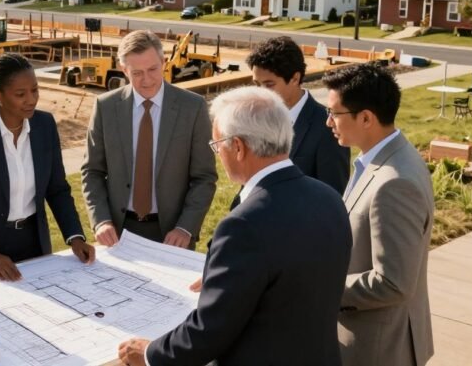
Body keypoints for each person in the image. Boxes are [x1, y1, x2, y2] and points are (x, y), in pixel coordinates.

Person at [117, 86, 352, 366]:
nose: (218, 154)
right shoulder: (329, 198)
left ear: (238, 147)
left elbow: (208, 332)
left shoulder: (243, 225)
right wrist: (231, 279)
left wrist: (148, 354)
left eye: (217, 145)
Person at [0, 53, 95, 280]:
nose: (31, 100)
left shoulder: (45, 125)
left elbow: (57, 189)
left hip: (31, 247)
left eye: (35, 90)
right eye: (20, 94)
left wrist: (75, 237)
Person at [323, 63, 434, 366]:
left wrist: (321, 286)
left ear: (366, 118)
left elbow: (393, 282)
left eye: (333, 113)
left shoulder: (394, 183)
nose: (328, 122)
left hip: (377, 347)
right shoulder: (386, 156)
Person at [81, 30, 217, 249]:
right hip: (117, 234)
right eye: (137, 73)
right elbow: (92, 171)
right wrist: (101, 221)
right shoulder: (105, 107)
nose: (146, 80)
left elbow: (204, 177)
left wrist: (185, 228)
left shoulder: (193, 107)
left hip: (173, 236)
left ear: (163, 62)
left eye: (153, 69)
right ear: (124, 70)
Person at [246, 35, 350, 194]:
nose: (261, 93)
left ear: (295, 78)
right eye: (257, 84)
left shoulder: (327, 127)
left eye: (269, 84)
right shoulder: (256, 120)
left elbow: (333, 195)